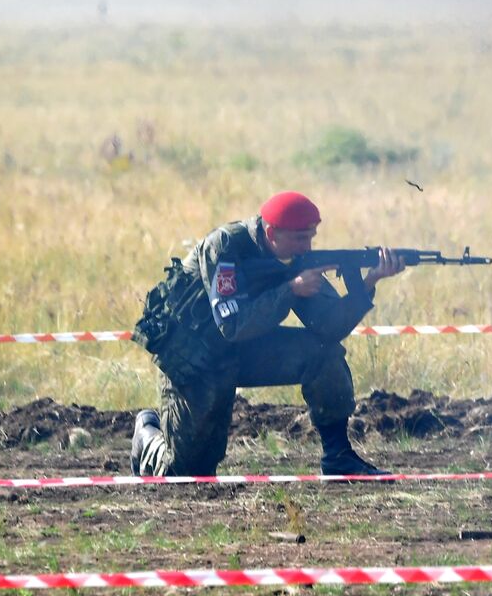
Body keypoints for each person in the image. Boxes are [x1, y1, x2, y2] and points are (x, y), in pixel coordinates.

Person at [130, 191, 403, 477]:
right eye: (300, 238)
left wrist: (368, 284)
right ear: (272, 233)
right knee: (187, 473)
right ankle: (147, 435)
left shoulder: (296, 259)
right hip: (195, 355)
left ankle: (338, 456)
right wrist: (290, 290)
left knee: (323, 353)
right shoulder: (225, 247)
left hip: (246, 349)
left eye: (311, 236)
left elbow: (328, 327)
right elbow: (232, 325)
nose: (307, 247)